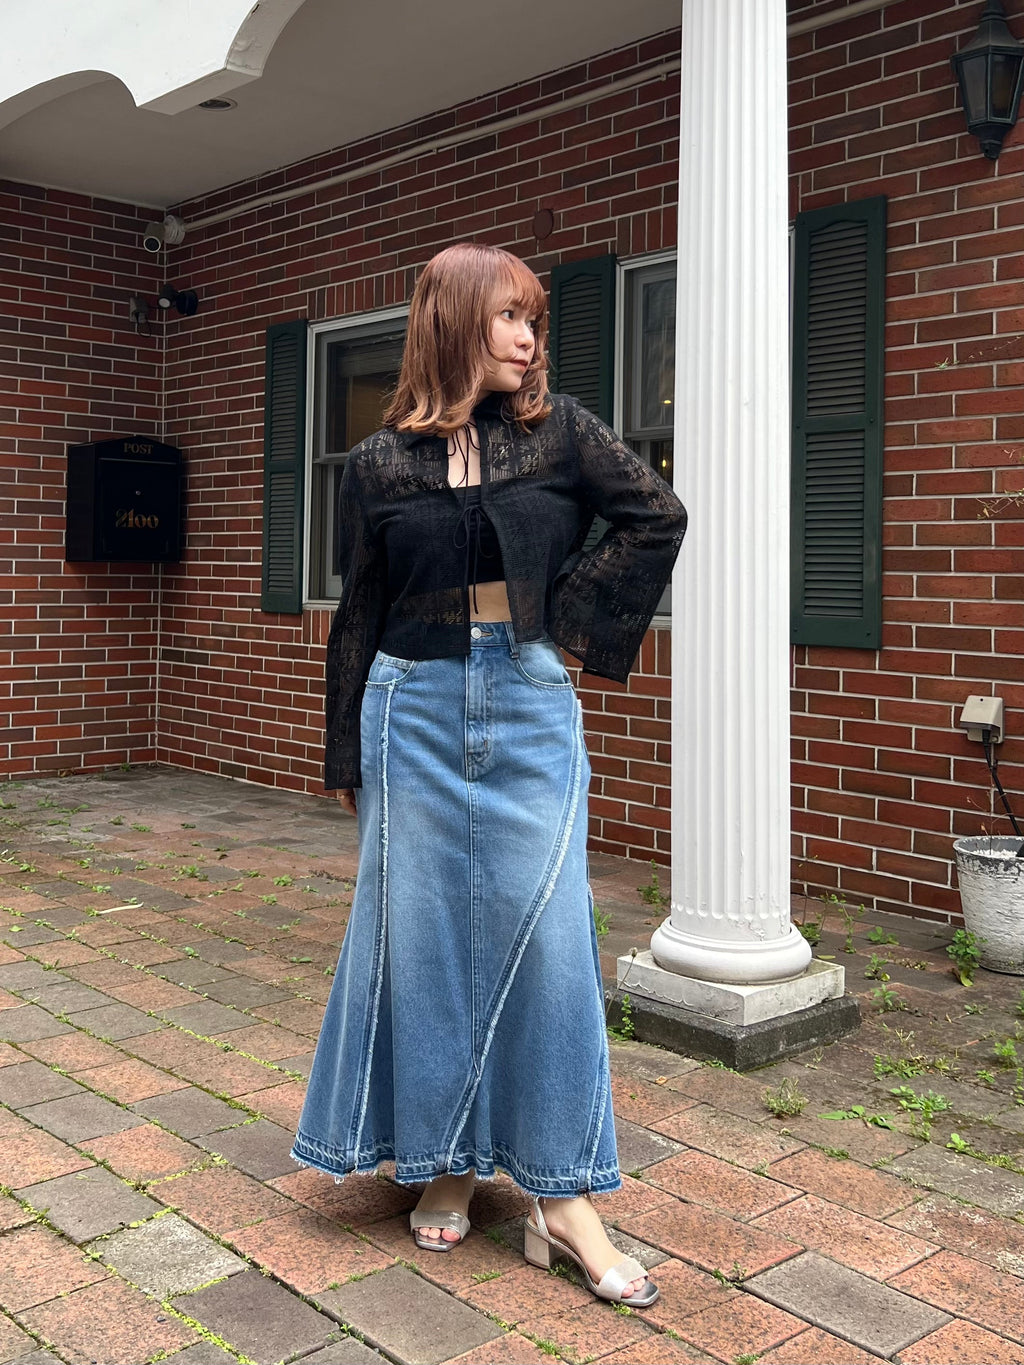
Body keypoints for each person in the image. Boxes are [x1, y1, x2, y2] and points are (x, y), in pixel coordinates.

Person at [290, 242, 686, 1307]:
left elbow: (656, 513)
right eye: (509, 317)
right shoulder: (380, 463)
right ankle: (447, 1162)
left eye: (533, 320)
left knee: (550, 942)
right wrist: (342, 747)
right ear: (455, 321)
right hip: (408, 709)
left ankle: (563, 1196)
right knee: (420, 943)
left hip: (526, 706)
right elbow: (359, 609)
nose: (527, 338)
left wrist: (560, 624)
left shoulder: (561, 434)